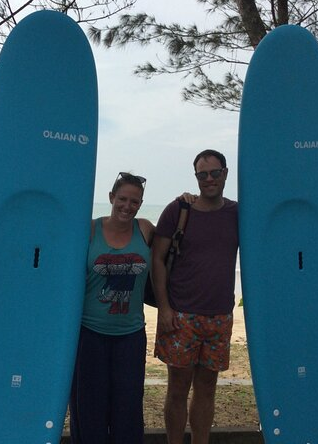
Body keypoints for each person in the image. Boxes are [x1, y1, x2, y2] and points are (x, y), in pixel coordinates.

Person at [151, 149, 239, 444]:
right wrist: (164, 308)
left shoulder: (238, 213)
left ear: (226, 173)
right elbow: (157, 260)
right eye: (203, 175)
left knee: (207, 390)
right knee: (177, 388)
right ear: (196, 177)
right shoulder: (178, 210)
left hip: (220, 317)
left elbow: (275, 236)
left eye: (215, 173)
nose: (209, 179)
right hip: (181, 316)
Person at [69, 171, 155, 444]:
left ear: (140, 204)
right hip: (89, 333)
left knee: (128, 408)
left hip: (130, 335)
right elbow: (47, 245)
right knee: (89, 407)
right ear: (111, 198)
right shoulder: (90, 229)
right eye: (122, 199)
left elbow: (182, 250)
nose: (127, 206)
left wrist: (187, 200)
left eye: (134, 201)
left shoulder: (145, 230)